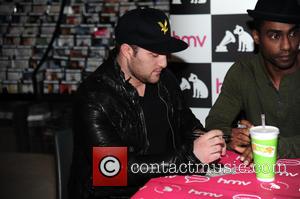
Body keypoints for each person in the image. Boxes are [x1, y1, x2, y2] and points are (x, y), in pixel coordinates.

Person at [69, 8, 226, 199]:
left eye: (165, 54)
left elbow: (187, 124)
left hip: (166, 183)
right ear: (127, 51)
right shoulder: (93, 97)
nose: (164, 63)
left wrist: (208, 141)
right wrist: (189, 157)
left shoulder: (165, 79)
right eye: (154, 55)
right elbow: (112, 169)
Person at [206, 0, 300, 165]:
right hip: (256, 174)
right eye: (275, 36)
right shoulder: (243, 71)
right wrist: (231, 136)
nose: (286, 45)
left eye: (293, 34)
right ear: (257, 37)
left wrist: (275, 146)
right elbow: (215, 121)